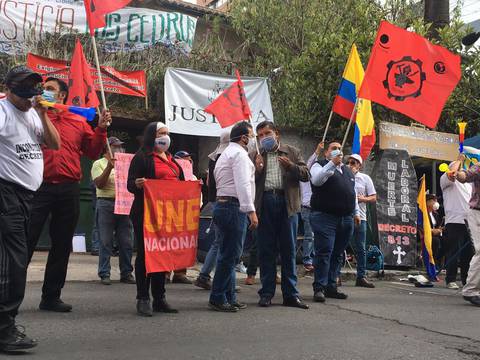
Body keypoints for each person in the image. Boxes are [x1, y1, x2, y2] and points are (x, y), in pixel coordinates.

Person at [26, 77, 110, 313]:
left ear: (62, 95)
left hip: (69, 189)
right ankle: (7, 295)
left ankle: (51, 297)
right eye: (43, 89)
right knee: (25, 241)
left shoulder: (78, 120)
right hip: (38, 186)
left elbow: (93, 152)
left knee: (62, 244)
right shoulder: (33, 116)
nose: (45, 92)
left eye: (50, 89)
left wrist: (101, 129)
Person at [0, 65, 60, 351]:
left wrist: (43, 113)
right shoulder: (3, 111)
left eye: (33, 89)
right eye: (23, 90)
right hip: (6, 193)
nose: (28, 96)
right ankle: (4, 329)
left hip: (26, 197)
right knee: (13, 262)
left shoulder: (34, 114)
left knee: (16, 258)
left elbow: (54, 144)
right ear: (8, 88)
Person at [127, 122, 183, 316]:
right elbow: (129, 184)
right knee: (146, 255)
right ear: (152, 135)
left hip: (167, 216)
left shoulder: (172, 161)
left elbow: (181, 185)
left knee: (162, 256)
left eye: (167, 133)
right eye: (161, 133)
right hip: (146, 214)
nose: (165, 137)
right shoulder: (142, 157)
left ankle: (160, 298)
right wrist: (138, 184)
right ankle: (143, 298)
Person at [254, 121, 309, 309]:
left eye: (267, 133)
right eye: (260, 135)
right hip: (265, 203)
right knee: (266, 250)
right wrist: (256, 169)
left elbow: (306, 175)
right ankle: (267, 293)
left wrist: (291, 166)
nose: (264, 138)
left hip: (288, 205)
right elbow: (246, 180)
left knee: (289, 250)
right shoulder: (256, 154)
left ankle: (291, 295)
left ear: (276, 134)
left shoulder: (291, 151)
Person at [209, 121, 258, 312]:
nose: (254, 140)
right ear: (244, 138)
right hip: (233, 207)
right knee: (230, 256)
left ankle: (229, 295)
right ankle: (218, 297)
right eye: (252, 136)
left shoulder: (225, 154)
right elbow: (243, 184)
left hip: (223, 206)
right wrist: (251, 211)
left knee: (227, 253)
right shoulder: (239, 155)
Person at [310, 141, 361, 303]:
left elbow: (353, 194)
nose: (337, 151)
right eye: (333, 148)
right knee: (324, 252)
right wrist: (331, 164)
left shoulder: (347, 171)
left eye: (339, 148)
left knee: (338, 254)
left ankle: (331, 286)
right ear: (326, 153)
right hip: (325, 217)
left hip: (346, 218)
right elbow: (317, 181)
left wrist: (356, 213)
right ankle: (319, 287)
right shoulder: (319, 165)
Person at [91, 137, 135, 285]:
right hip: (106, 204)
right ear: (108, 148)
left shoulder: (125, 164)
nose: (120, 149)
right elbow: (99, 184)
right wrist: (109, 167)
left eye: (121, 147)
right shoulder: (99, 164)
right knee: (105, 241)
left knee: (126, 241)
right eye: (116, 146)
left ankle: (126, 273)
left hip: (124, 204)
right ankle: (104, 273)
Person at [194, 130, 230, 290]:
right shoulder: (228, 156)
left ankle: (206, 275)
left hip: (216, 201)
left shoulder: (214, 157)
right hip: (225, 202)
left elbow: (210, 182)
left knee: (220, 241)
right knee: (224, 242)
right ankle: (221, 279)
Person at [440, 162, 474, 289]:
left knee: (468, 253)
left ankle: (466, 280)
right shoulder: (446, 179)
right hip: (454, 221)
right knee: (453, 250)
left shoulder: (469, 184)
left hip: (470, 221)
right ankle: (450, 279)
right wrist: (459, 159)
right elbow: (452, 173)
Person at [452, 158, 480, 306]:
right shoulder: (479, 167)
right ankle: (470, 290)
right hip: (477, 213)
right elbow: (466, 176)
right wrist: (458, 174)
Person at [346, 154, 376, 288]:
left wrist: (362, 199)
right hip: (345, 215)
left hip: (361, 217)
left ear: (359, 165)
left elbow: (373, 197)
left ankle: (361, 276)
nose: (350, 164)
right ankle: (335, 276)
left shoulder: (365, 178)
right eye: (349, 162)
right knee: (340, 246)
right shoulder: (342, 175)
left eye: (353, 162)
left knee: (360, 247)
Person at [299, 142, 324, 274]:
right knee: (310, 235)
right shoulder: (304, 178)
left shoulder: (315, 179)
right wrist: (317, 151)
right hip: (307, 208)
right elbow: (310, 163)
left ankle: (314, 259)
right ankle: (307, 260)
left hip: (317, 208)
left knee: (316, 235)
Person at [426, 194, 444, 268]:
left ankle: (439, 263)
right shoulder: (423, 213)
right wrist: (431, 231)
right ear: (427, 202)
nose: (436, 203)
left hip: (435, 235)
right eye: (434, 201)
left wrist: (440, 229)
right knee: (435, 241)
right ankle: (432, 263)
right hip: (426, 235)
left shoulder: (435, 214)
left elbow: (437, 226)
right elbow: (420, 227)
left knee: (446, 240)